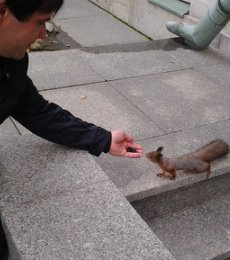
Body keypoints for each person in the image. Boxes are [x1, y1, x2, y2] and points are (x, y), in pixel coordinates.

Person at [0, 0, 143, 158]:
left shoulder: (11, 64)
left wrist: (104, 139)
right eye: (40, 22)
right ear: (2, 11)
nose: (43, 35)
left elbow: (36, 112)